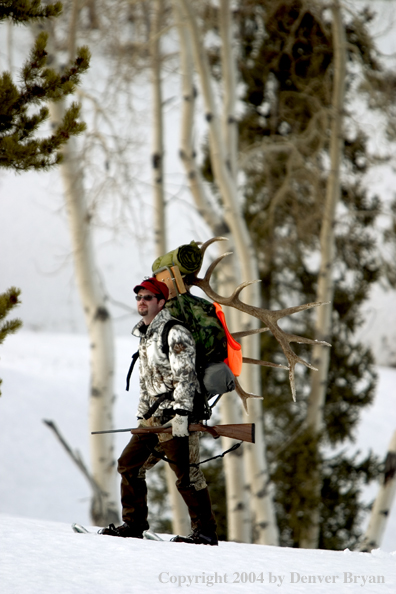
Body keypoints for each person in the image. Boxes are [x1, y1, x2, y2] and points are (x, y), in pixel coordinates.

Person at [100, 277, 218, 545]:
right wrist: (142, 416)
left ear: (161, 302)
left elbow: (185, 376)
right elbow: (146, 381)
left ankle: (205, 532)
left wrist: (182, 415)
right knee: (129, 466)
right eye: (139, 297)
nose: (142, 302)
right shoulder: (145, 333)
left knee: (187, 476)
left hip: (177, 417)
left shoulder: (175, 332)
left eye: (148, 298)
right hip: (153, 418)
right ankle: (133, 524)